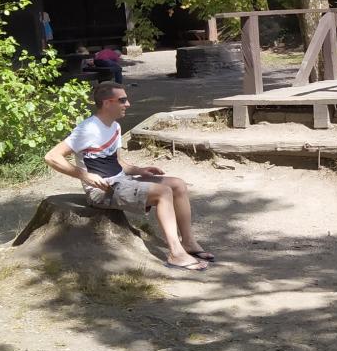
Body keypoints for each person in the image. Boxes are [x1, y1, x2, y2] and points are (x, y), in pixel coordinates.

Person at [44, 82, 212, 271]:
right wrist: (85, 175)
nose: (128, 104)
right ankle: (176, 254)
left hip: (122, 181)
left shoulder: (115, 127)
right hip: (102, 191)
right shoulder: (87, 129)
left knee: (178, 184)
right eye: (122, 100)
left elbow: (117, 161)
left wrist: (140, 170)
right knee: (163, 192)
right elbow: (52, 157)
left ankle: (188, 242)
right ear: (107, 103)